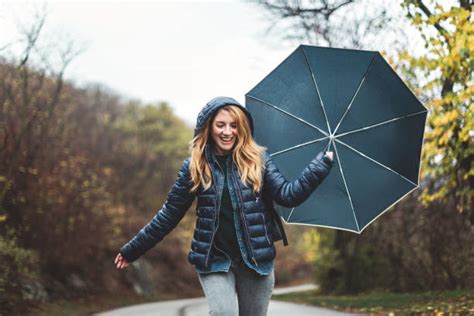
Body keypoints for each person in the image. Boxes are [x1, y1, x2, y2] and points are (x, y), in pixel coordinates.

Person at [114, 96, 334, 316]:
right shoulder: (195, 167)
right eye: (220, 125)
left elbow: (288, 195)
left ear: (242, 128)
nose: (227, 132)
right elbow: (168, 215)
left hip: (256, 259)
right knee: (223, 313)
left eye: (233, 125)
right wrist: (133, 249)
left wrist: (321, 164)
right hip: (214, 259)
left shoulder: (259, 160)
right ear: (209, 127)